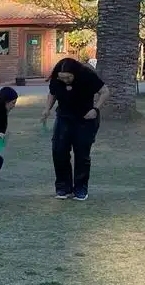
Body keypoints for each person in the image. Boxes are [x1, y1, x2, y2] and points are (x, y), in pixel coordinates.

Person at [41, 56, 109, 201]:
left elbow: (105, 92)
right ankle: (63, 188)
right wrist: (47, 109)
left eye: (68, 78)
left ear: (75, 73)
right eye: (62, 78)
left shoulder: (87, 75)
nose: (65, 80)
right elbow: (52, 94)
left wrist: (96, 109)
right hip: (64, 118)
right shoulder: (56, 78)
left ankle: (80, 189)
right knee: (59, 151)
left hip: (85, 119)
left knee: (82, 154)